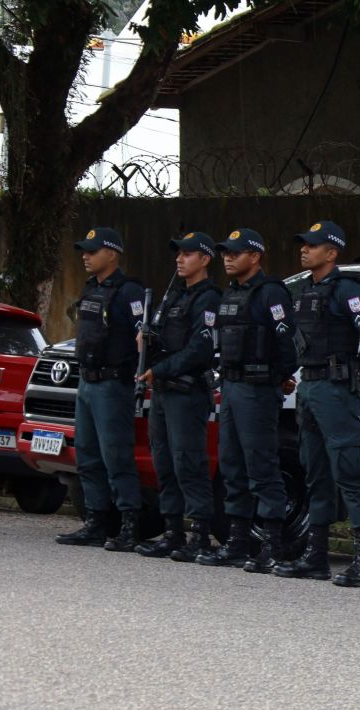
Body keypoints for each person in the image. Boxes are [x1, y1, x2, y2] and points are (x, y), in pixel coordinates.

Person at [273, 221, 360, 587]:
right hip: (309, 388)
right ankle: (316, 558)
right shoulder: (304, 291)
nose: (304, 250)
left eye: (312, 245)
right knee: (316, 473)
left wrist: (356, 369)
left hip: (337, 391)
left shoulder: (347, 290)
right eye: (303, 244)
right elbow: (298, 343)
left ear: (332, 252)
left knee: (350, 471)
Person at [197, 229, 299, 572]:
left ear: (255, 256)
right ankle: (237, 542)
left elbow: (290, 346)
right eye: (225, 252)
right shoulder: (231, 294)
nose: (227, 257)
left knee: (262, 466)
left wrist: (273, 377)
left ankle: (272, 545)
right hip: (232, 389)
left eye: (235, 252)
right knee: (231, 466)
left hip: (257, 390)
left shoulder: (270, 293)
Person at [55, 227, 146, 551]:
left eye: (92, 251)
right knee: (88, 456)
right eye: (84, 250)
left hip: (112, 384)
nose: (85, 255)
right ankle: (95, 521)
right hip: (87, 382)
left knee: (116, 456)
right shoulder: (91, 288)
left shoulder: (129, 291)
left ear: (112, 253)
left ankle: (129, 524)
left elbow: (142, 339)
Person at [134, 232, 221, 561]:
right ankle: (172, 532)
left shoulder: (208, 298)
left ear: (204, 259)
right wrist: (145, 339)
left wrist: (163, 368)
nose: (179, 259)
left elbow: (201, 348)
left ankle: (199, 534)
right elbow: (159, 337)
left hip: (187, 391)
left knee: (189, 462)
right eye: (178, 254)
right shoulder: (173, 297)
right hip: (163, 390)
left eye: (187, 254)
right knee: (164, 462)